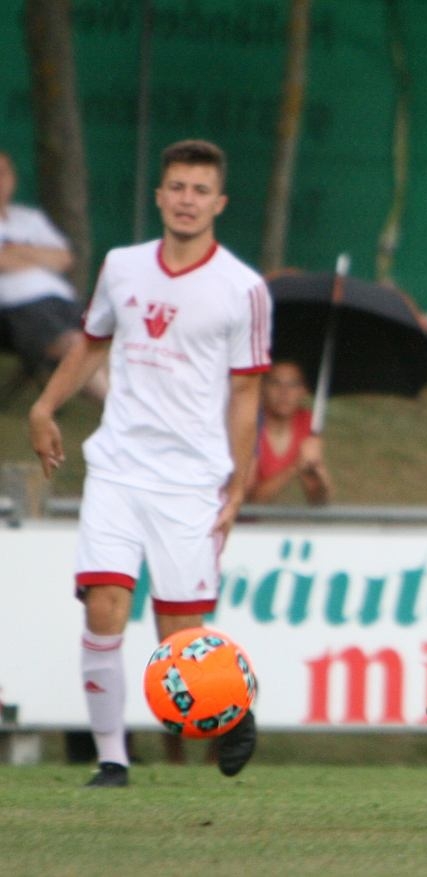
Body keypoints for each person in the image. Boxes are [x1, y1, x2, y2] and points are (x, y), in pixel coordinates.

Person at [28, 139, 272, 787]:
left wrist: (239, 481)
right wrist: (45, 405)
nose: (187, 200)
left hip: (193, 478)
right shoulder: (122, 266)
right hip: (117, 466)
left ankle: (227, 716)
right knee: (103, 603)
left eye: (200, 190)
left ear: (218, 202)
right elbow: (91, 342)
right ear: (159, 195)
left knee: (180, 639)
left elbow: (247, 395)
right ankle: (112, 757)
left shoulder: (243, 289)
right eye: (177, 187)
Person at [0, 151, 107, 400]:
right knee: (77, 347)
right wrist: (38, 254)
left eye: (4, 172)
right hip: (18, 312)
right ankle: (120, 416)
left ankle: (133, 413)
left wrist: (17, 251)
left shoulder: (29, 218)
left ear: (13, 179)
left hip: (64, 302)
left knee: (103, 346)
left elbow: (64, 259)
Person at [246, 360, 332, 505]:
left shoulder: (307, 422)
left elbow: (319, 502)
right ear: (263, 387)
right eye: (275, 383)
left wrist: (317, 471)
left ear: (303, 391)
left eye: (293, 385)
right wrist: (295, 467)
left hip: (257, 523)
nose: (284, 392)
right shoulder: (251, 423)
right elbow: (250, 500)